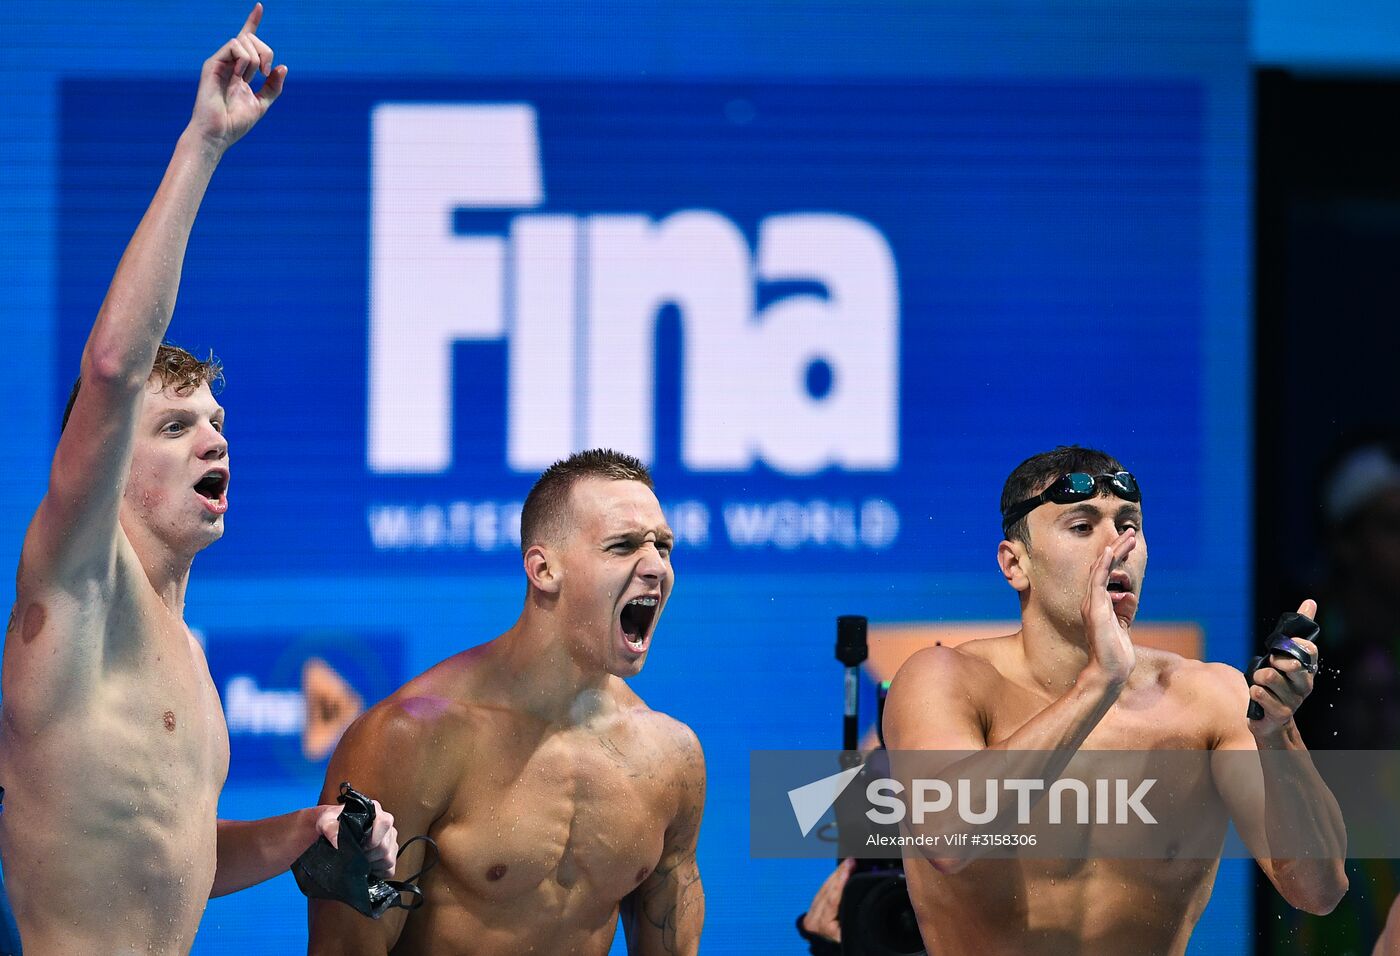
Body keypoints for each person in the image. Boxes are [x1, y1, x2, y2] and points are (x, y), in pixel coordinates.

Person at [0, 9, 395, 953]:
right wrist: (203, 145)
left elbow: (167, 859)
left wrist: (301, 834)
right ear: (102, 469)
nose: (212, 441)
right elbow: (109, 369)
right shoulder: (80, 591)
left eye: (215, 425)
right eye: (175, 427)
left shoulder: (190, 651)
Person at [882, 445, 1348, 955]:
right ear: (1015, 564)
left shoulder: (1210, 698)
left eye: (1130, 525)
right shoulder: (946, 680)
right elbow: (947, 837)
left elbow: (1318, 891)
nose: (1117, 544)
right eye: (1082, 527)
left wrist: (1277, 733)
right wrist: (1099, 684)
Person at [307, 449, 705, 956]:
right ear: (543, 570)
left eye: (664, 547)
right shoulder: (409, 739)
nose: (655, 566)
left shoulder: (672, 759)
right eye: (623, 546)